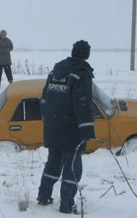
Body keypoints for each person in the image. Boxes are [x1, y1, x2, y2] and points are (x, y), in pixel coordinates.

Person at [37, 40, 95, 214]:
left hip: (53, 128)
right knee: (72, 169)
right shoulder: (81, 74)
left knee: (53, 164)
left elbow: (44, 99)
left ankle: (43, 196)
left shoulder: (55, 72)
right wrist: (87, 130)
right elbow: (83, 105)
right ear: (86, 54)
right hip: (71, 131)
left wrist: (47, 120)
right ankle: (67, 205)